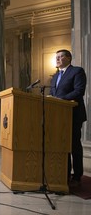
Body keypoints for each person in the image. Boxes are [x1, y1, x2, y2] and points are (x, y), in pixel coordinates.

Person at [50, 49, 87, 187]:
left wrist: (59, 99)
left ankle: (77, 176)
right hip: (58, 117)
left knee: (74, 145)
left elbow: (79, 91)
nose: (57, 59)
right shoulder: (55, 76)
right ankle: (65, 174)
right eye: (56, 57)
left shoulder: (77, 71)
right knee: (62, 145)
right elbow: (52, 93)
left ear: (68, 58)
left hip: (73, 114)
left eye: (60, 57)